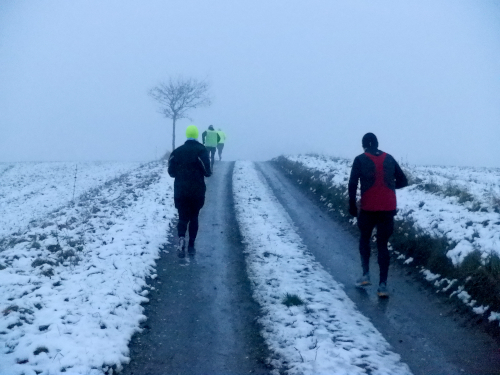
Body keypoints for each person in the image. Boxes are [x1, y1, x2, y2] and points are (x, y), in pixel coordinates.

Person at [348, 132, 408, 297]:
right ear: (377, 144)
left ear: (364, 146)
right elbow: (403, 181)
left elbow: (352, 184)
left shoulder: (360, 159)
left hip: (368, 208)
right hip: (388, 207)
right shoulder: (389, 158)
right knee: (383, 244)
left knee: (365, 238)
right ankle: (383, 286)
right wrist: (387, 187)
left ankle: (366, 275)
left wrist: (352, 206)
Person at [168, 125, 212, 258]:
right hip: (196, 190)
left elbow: (171, 172)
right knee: (194, 217)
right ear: (197, 135)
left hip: (180, 190)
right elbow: (207, 172)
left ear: (187, 135)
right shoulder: (201, 150)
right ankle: (191, 245)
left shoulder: (177, 152)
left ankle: (181, 239)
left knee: (182, 216)